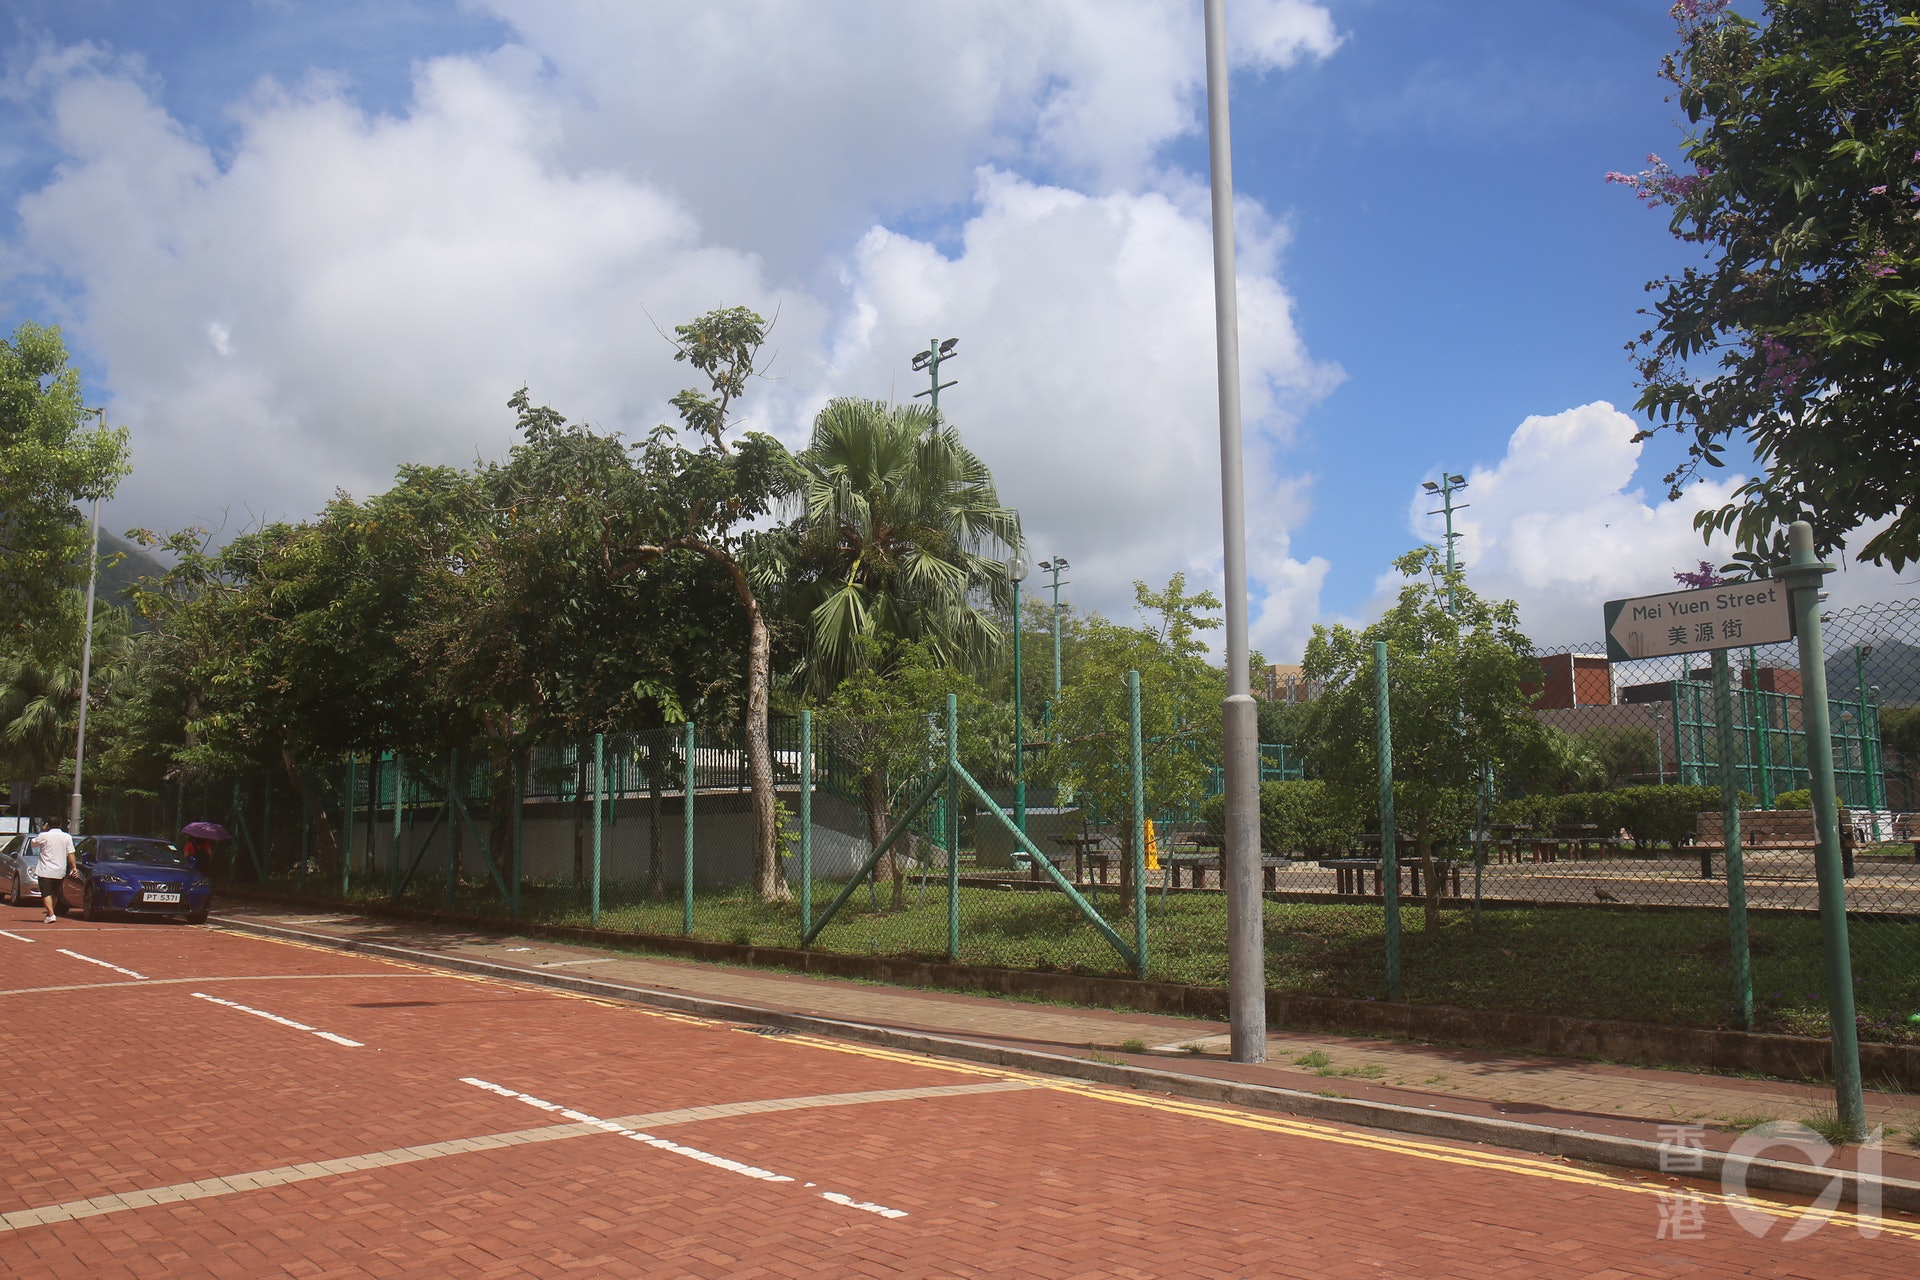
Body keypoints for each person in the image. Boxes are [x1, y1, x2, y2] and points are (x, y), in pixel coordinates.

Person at [31, 818, 76, 924]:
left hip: (45, 870)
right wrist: (74, 867)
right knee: (55, 893)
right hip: (60, 870)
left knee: (46, 893)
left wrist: (43, 831)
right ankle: (50, 913)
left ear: (48, 825)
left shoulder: (44, 836)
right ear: (60, 824)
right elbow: (71, 853)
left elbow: (33, 843)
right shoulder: (66, 837)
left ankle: (51, 914)